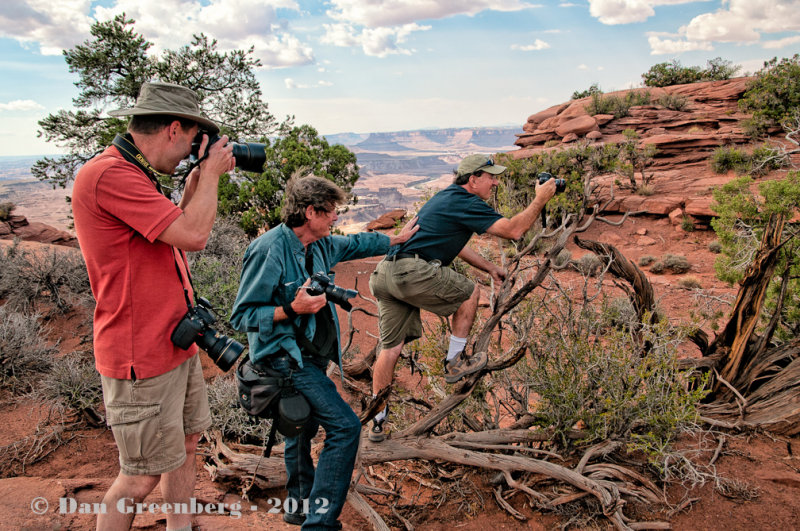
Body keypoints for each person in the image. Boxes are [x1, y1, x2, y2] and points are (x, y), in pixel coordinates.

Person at [72, 82, 235, 530]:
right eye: (189, 143)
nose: (188, 154)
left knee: (185, 445)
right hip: (138, 353)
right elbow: (195, 236)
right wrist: (214, 175)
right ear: (174, 128)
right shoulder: (110, 174)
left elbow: (173, 236)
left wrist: (198, 183)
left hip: (173, 342)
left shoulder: (134, 172)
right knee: (139, 476)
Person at [230, 175, 418, 530]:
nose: (335, 218)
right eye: (330, 212)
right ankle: (320, 524)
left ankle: (299, 507)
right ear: (310, 211)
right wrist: (291, 309)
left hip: (312, 355)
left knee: (300, 429)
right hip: (284, 360)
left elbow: (357, 244)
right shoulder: (268, 249)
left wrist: (394, 238)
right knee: (345, 428)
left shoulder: (320, 245)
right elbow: (242, 316)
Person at [368, 153, 557, 442]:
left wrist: (490, 267)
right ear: (473, 179)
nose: (495, 182)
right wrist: (541, 198)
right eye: (490, 177)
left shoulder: (446, 198)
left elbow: (452, 245)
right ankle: (455, 362)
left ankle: (377, 419)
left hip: (385, 274)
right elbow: (514, 230)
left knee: (390, 350)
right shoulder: (466, 201)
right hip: (410, 270)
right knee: (470, 293)